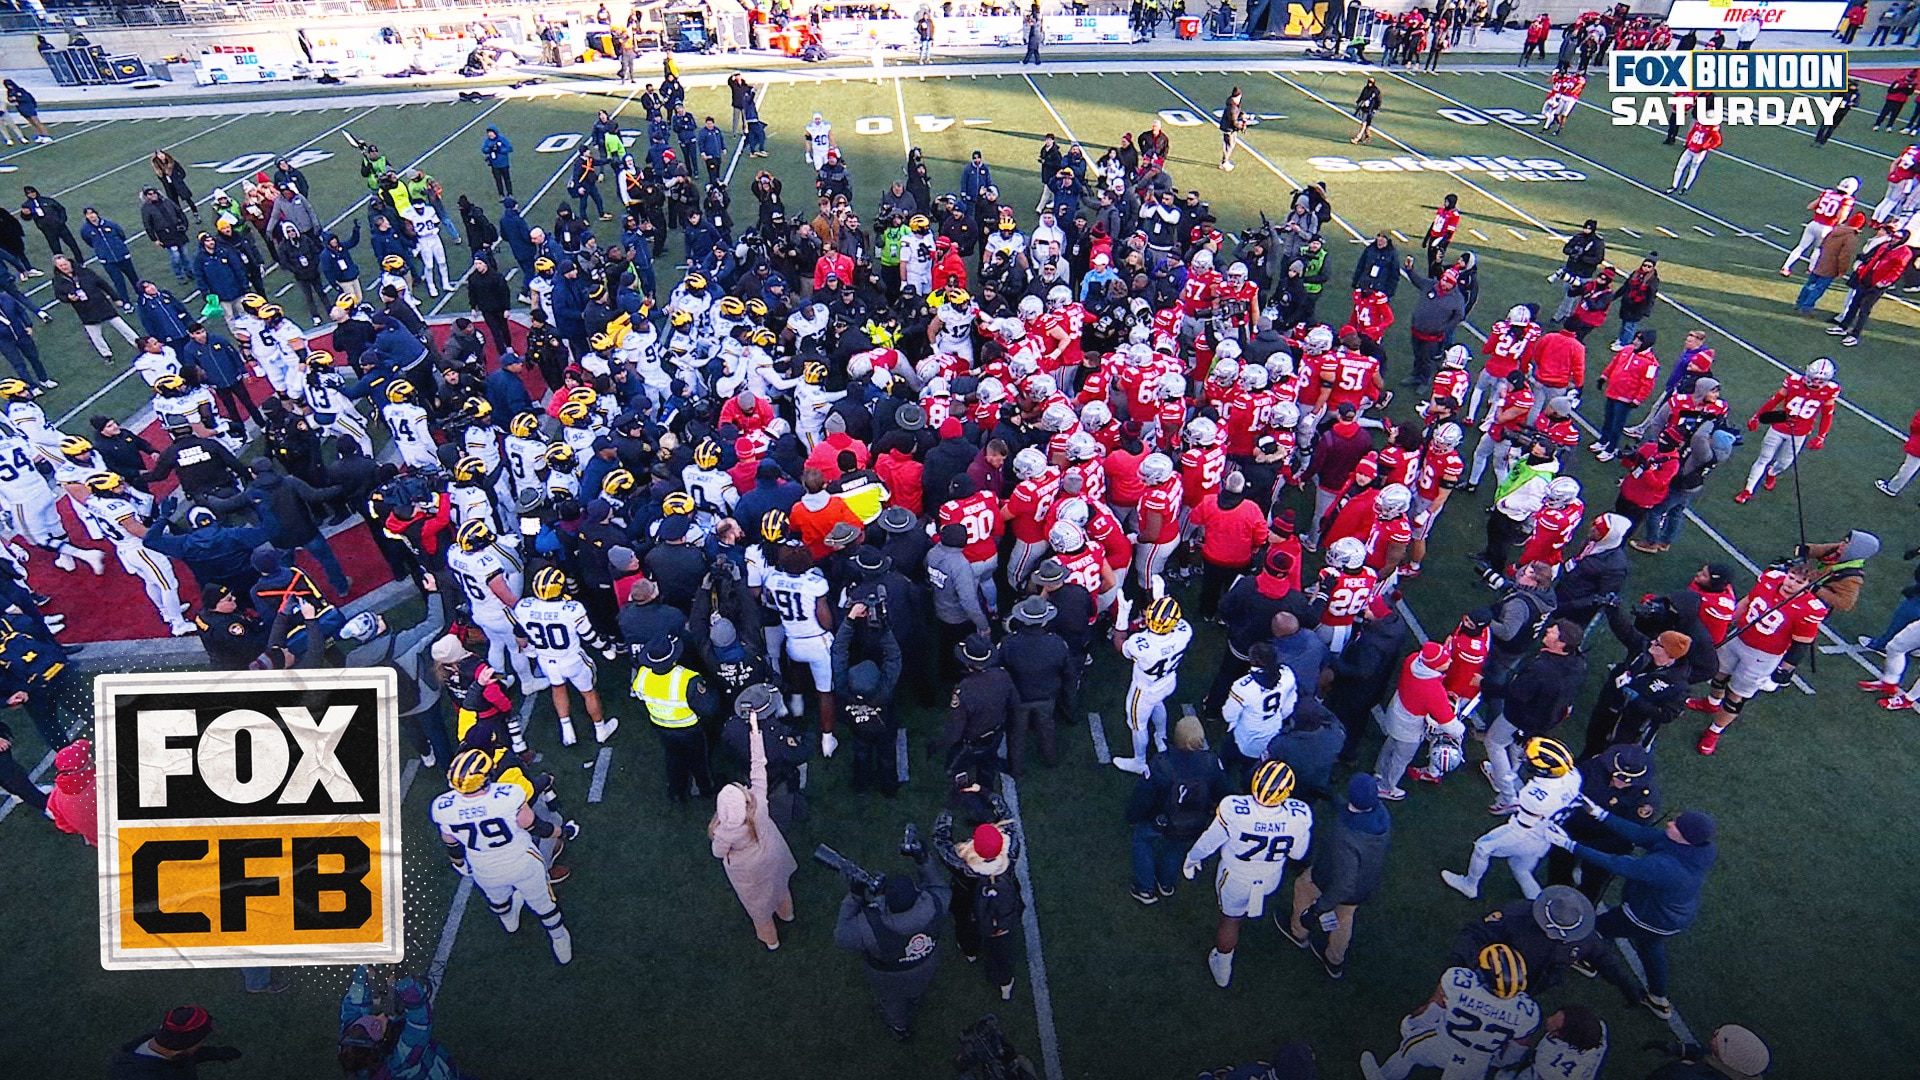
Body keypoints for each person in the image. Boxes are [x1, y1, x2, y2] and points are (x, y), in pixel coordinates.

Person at [1546, 805, 1718, 1019]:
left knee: (1594, 929)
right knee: (1650, 947)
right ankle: (1658, 997)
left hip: (1648, 917)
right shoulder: (1694, 848)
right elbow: (1640, 834)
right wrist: (1601, 813)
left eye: (1676, 825)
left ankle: (1587, 962)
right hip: (1674, 918)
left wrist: (1569, 845)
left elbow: (1617, 864)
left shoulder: (1666, 867)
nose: (1670, 823)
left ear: (1686, 837)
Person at [433, 749, 575, 964]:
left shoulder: (442, 806)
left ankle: (509, 920)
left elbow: (450, 840)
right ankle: (558, 937)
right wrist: (563, 832)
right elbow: (535, 826)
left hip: (484, 868)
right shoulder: (509, 795)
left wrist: (459, 863)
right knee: (543, 903)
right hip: (521, 861)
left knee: (498, 900)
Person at [1182, 760, 1313, 988]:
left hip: (1236, 877)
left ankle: (1222, 967)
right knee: (1241, 911)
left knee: (1230, 920)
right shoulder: (1300, 814)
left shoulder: (1234, 808)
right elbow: (1298, 853)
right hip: (1270, 876)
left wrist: (1193, 858)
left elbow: (1210, 841)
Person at [1686, 560, 1827, 755]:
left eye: (1799, 582)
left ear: (1808, 586)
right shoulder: (1770, 578)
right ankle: (1711, 702)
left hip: (1763, 656)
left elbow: (1801, 643)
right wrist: (1727, 621)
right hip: (1739, 637)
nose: (1791, 583)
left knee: (1736, 695)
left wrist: (1786, 668)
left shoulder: (1810, 609)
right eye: (1791, 577)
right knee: (1718, 674)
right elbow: (1748, 601)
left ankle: (1714, 731)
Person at [1358, 944, 1540, 1080]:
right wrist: (1501, 1062)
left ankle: (1384, 1076)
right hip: (1477, 1061)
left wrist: (1411, 1024)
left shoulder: (1458, 981)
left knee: (1408, 1051)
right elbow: (1519, 1047)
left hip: (1441, 1043)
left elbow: (1433, 1007)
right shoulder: (1527, 1012)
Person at [832, 836, 951, 1040]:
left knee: (894, 1003)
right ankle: (915, 998)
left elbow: (841, 935)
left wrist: (855, 895)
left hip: (890, 978)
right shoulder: (936, 904)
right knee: (917, 989)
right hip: (926, 965)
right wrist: (923, 859)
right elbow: (938, 886)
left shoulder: (871, 927)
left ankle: (899, 1027)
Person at [1440, 736, 1580, 901]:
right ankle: (1541, 909)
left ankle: (1469, 885)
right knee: (1520, 869)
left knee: (1482, 848)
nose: (1526, 759)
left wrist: (1493, 843)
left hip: (1528, 833)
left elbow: (1520, 828)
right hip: (1547, 834)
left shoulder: (1534, 796)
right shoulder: (1574, 777)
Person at [1281, 773, 1390, 980]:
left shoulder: (1345, 835)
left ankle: (1298, 933)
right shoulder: (1381, 815)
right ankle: (1335, 960)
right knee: (1345, 917)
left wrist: (1316, 911)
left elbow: (1343, 886)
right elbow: (1353, 811)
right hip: (1364, 885)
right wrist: (1332, 797)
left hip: (1329, 880)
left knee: (1303, 888)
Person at [710, 699, 799, 950]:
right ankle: (788, 914)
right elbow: (758, 766)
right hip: (773, 855)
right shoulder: (758, 803)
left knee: (758, 908)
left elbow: (718, 853)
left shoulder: (723, 832)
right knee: (780, 886)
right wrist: (755, 730)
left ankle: (771, 941)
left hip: (748, 873)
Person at [935, 818, 1024, 1000]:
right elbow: (1010, 823)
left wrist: (944, 819)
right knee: (1001, 951)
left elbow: (941, 843)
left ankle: (970, 952)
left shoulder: (961, 866)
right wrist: (989, 796)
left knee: (965, 928)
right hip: (1000, 919)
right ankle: (1005, 984)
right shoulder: (1011, 855)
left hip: (968, 908)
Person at [1110, 594, 1194, 775]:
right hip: (1168, 681)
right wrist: (1160, 597)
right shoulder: (1185, 631)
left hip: (1144, 689)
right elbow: (1171, 622)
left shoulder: (1142, 645)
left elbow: (1119, 644)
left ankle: (1139, 761)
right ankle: (1161, 737)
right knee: (1158, 704)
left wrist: (1122, 616)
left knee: (1137, 725)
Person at [634, 634, 719, 802]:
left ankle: (676, 792)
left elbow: (641, 694)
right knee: (699, 761)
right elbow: (708, 708)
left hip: (661, 727)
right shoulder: (687, 679)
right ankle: (705, 788)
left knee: (673, 759)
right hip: (689, 729)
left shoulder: (642, 675)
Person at [336, 966, 461, 1079]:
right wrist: (403, 981)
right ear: (380, 1045)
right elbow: (420, 1019)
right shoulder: (402, 1060)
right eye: (378, 1025)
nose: (381, 1016)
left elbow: (355, 999)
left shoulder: (353, 1042)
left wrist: (366, 964)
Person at [107, 1007, 243, 1078]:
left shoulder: (165, 1043)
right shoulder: (137, 1075)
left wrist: (216, 1053)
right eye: (201, 1041)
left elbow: (188, 1054)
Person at [1218, 86, 1247, 171]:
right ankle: (1224, 163)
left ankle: (1225, 161)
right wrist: (1241, 126)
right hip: (1229, 129)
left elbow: (1238, 111)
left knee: (1231, 144)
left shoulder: (1233, 104)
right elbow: (1234, 122)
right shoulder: (1232, 108)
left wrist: (1242, 114)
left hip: (1229, 128)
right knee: (1229, 146)